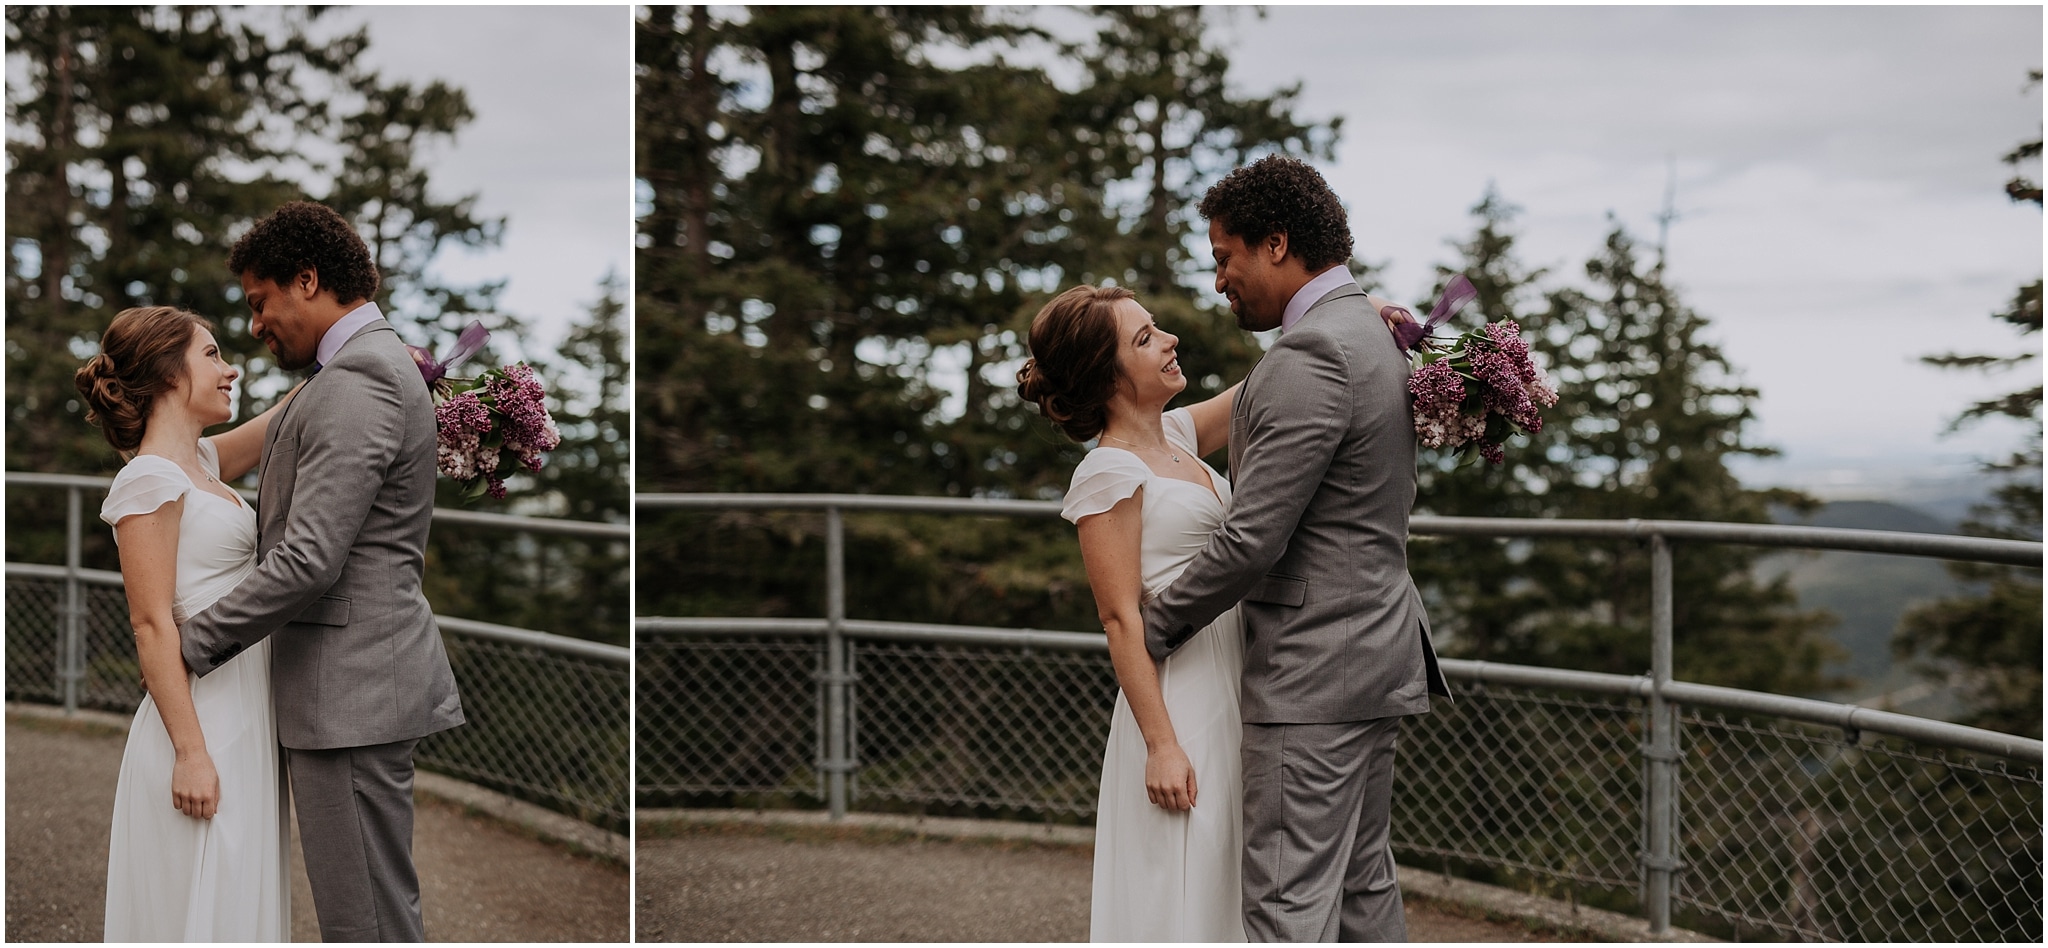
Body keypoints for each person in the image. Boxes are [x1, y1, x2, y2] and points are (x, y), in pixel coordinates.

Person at [1141, 155, 1452, 942]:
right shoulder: (1371, 334)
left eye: (1224, 258)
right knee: (1360, 893)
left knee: (1287, 908)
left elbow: (1252, 540)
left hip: (1314, 673)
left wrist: (1149, 628)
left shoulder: (1311, 353)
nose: (1219, 281)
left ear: (1274, 244)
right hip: (1373, 653)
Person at [176, 200, 466, 942]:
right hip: (350, 689)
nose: (253, 326)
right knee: (366, 910)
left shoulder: (360, 379)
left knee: (364, 919)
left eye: (259, 302)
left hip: (353, 694)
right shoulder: (350, 372)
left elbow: (308, 559)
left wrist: (187, 647)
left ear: (307, 280)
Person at [1018, 284, 1249, 942]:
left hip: (1233, 680)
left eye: (1157, 328)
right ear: (1106, 374)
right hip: (1179, 699)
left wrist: (1356, 322)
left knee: (1225, 871)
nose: (1170, 339)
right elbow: (1120, 619)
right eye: (1145, 338)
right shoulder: (1106, 472)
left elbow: (1269, 384)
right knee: (1183, 871)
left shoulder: (1177, 435)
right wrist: (1162, 745)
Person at [79, 305, 298, 941]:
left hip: (247, 710)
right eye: (211, 355)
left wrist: (375, 360)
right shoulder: (148, 478)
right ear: (170, 374)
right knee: (202, 901)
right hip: (202, 721)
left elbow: (280, 419)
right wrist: (192, 754)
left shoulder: (201, 461)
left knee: (236, 894)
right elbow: (150, 626)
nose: (230, 370)